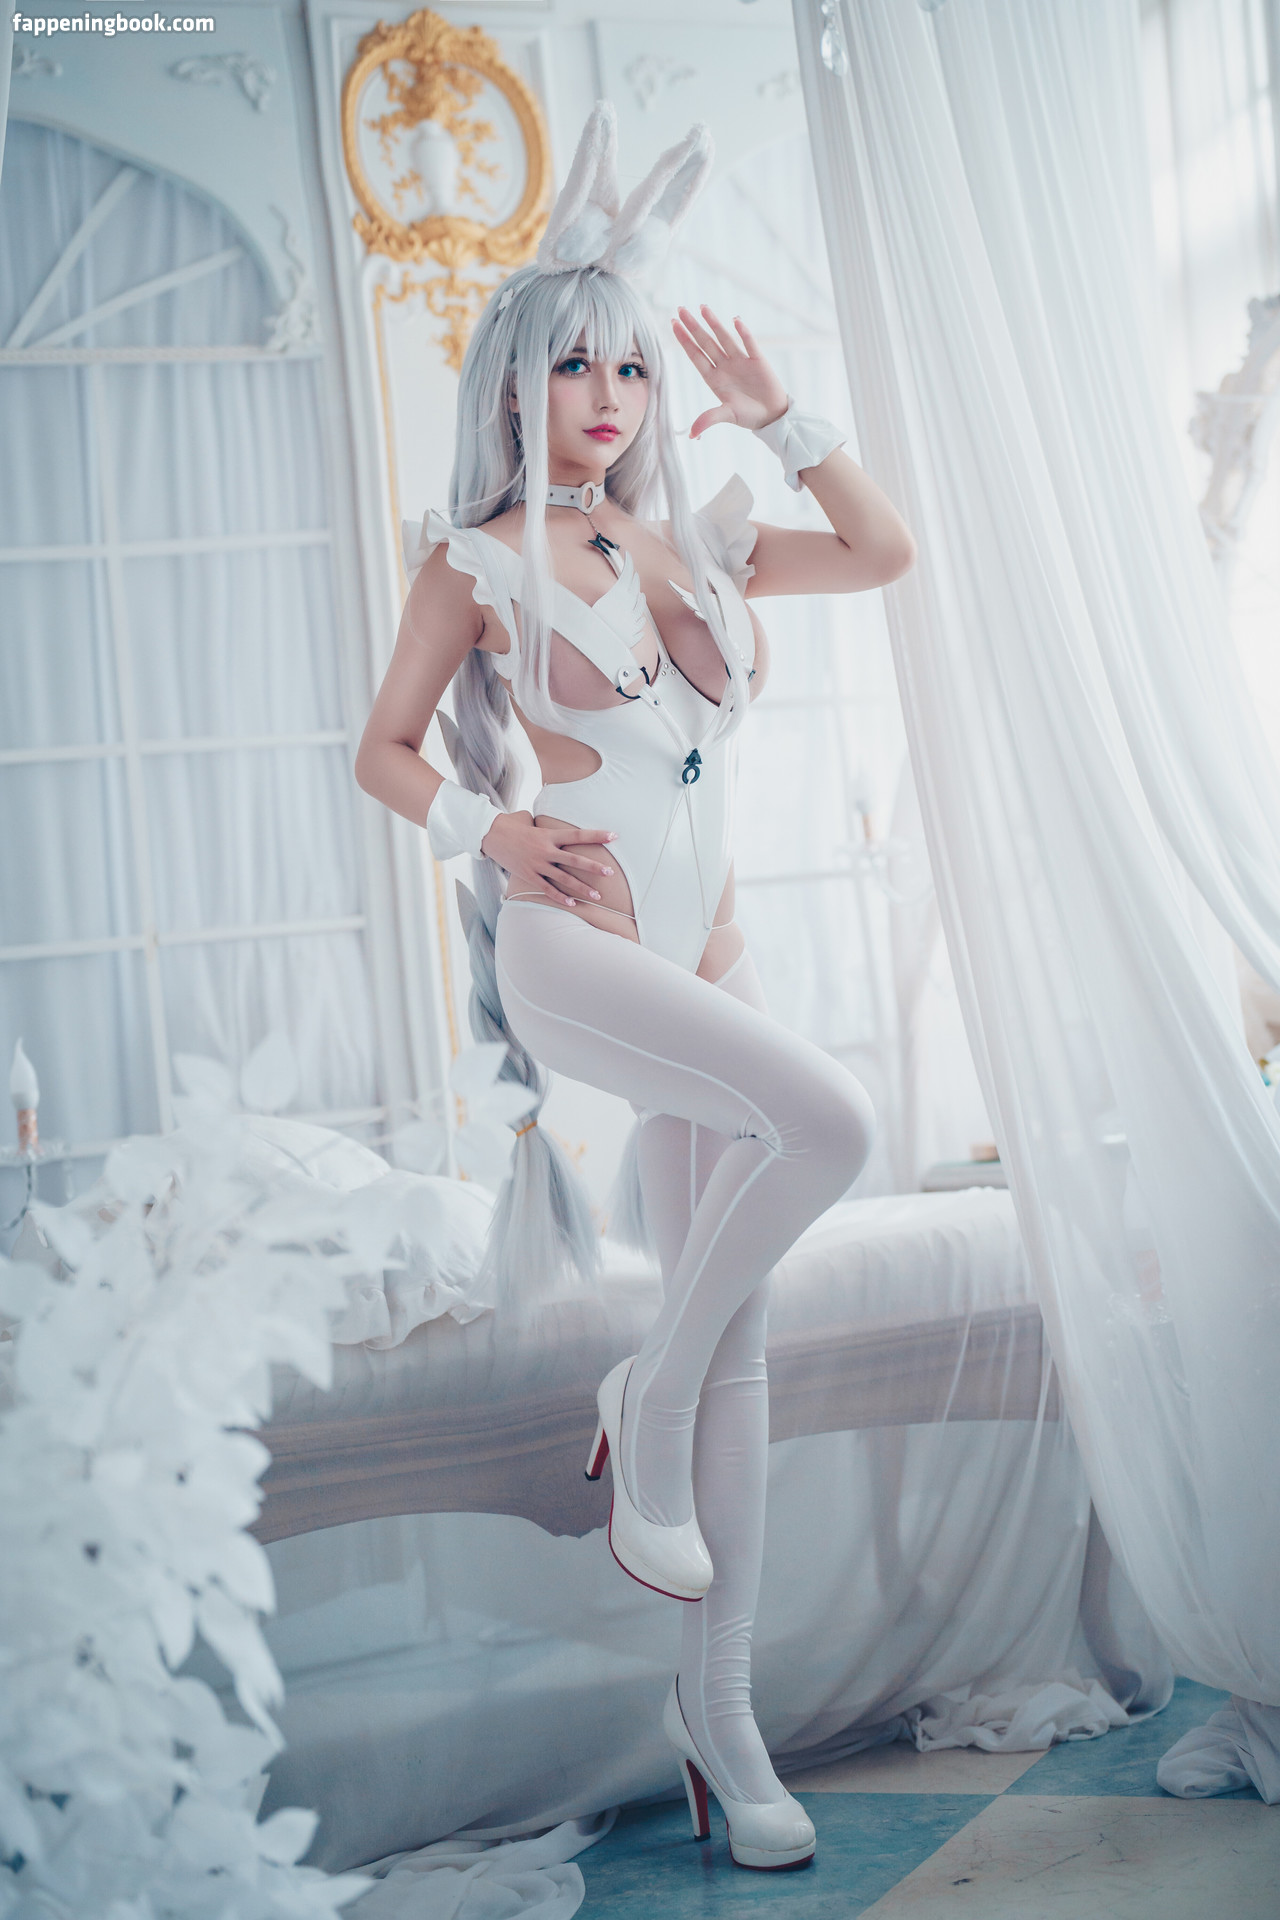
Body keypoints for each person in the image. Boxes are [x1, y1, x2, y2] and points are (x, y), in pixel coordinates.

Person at [355, 101, 916, 1873]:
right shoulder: (475, 559)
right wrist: (493, 830)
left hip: (711, 956)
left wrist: (782, 414)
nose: (610, 394)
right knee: (833, 1123)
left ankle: (720, 1721)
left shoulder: (698, 540)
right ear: (515, 385)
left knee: (737, 1324)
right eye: (575, 364)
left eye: (631, 367)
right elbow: (380, 750)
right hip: (581, 955)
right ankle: (643, 1397)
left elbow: (886, 551)